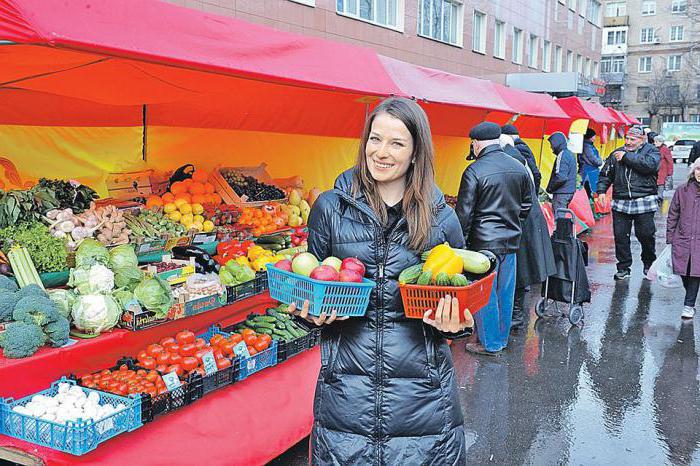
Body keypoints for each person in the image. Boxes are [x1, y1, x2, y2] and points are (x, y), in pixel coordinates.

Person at [291, 97, 474, 465]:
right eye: (375, 139)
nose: (382, 152)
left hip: (423, 401)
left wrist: (456, 326)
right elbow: (315, 286)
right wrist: (308, 315)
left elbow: (458, 303)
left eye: (396, 143)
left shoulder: (442, 219)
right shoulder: (330, 208)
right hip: (346, 395)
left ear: (416, 151)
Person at [456, 122, 532, 354]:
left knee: (484, 292)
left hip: (483, 243)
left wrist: (461, 243)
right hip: (510, 240)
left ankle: (489, 343)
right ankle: (501, 339)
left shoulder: (474, 170)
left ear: (476, 143)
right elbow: (527, 206)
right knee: (505, 292)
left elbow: (464, 213)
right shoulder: (518, 166)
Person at [500, 132, 557, 330]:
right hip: (527, 218)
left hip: (523, 220)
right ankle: (517, 314)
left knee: (521, 269)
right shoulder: (516, 157)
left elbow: (518, 198)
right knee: (522, 268)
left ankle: (517, 315)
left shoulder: (512, 160)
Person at [597, 126, 660, 280]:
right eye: (627, 138)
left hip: (644, 199)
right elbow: (605, 174)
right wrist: (601, 191)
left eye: (633, 139)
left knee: (645, 234)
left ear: (642, 140)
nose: (629, 142)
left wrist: (626, 158)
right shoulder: (616, 153)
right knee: (620, 236)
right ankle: (623, 267)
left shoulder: (652, 151)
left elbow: (649, 166)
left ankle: (649, 263)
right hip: (621, 200)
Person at [666, 159, 700, 319]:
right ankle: (690, 298)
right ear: (693, 171)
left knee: (696, 272)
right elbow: (673, 214)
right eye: (699, 169)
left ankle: (689, 305)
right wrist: (670, 237)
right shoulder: (683, 190)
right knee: (683, 271)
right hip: (683, 238)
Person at [501, 124, 543, 189]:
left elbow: (535, 173)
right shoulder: (523, 146)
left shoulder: (518, 149)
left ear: (507, 136)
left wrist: (534, 194)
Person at [546, 132, 577, 217]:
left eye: (551, 144)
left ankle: (561, 230)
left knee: (559, 218)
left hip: (562, 192)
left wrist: (550, 188)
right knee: (562, 217)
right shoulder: (570, 154)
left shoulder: (562, 155)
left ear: (556, 143)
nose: (551, 147)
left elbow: (561, 177)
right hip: (568, 191)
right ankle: (564, 230)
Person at [579, 128, 603, 199]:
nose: (595, 138)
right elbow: (593, 159)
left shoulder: (589, 145)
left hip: (591, 171)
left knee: (591, 190)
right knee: (588, 190)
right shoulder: (587, 146)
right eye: (594, 136)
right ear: (590, 137)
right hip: (588, 171)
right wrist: (600, 162)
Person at [654, 135, 674, 202]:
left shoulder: (665, 149)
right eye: (655, 141)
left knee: (660, 183)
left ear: (660, 142)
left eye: (656, 141)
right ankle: (657, 196)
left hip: (662, 170)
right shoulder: (655, 148)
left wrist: (670, 172)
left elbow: (670, 161)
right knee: (656, 182)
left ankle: (660, 196)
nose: (655, 143)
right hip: (656, 170)